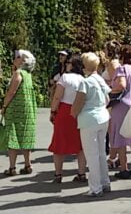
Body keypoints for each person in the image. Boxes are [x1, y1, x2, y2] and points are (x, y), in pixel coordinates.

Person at [71, 52, 112, 197]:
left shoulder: (85, 82)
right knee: (101, 152)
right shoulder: (100, 79)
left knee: (91, 154)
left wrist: (73, 112)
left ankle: (95, 187)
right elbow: (108, 99)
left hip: (89, 119)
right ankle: (105, 182)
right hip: (103, 117)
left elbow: (78, 103)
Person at [108, 44, 131, 179]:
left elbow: (122, 84)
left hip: (122, 105)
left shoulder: (121, 69)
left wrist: (111, 90)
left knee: (121, 137)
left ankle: (123, 168)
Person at [0, 50, 38, 176]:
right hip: (28, 109)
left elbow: (11, 92)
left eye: (18, 57)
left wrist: (4, 106)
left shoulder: (18, 73)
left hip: (15, 110)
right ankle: (27, 164)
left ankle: (12, 167)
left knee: (13, 137)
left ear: (23, 60)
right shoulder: (28, 74)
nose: (15, 58)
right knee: (25, 136)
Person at [48, 54, 87, 183]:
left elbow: (58, 96)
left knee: (59, 142)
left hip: (64, 110)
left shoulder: (65, 77)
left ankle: (58, 174)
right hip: (78, 111)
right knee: (80, 144)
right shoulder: (83, 79)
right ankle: (81, 173)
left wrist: (53, 110)